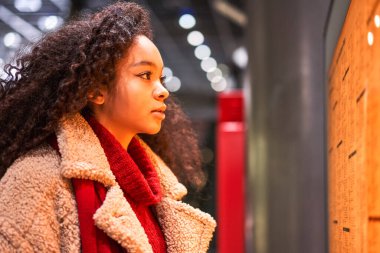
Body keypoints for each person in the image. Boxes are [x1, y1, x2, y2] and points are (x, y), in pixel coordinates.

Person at [0, 2, 216, 252]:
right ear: (95, 89)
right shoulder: (36, 181)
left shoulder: (158, 190)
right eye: (145, 75)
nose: (163, 91)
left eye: (161, 78)